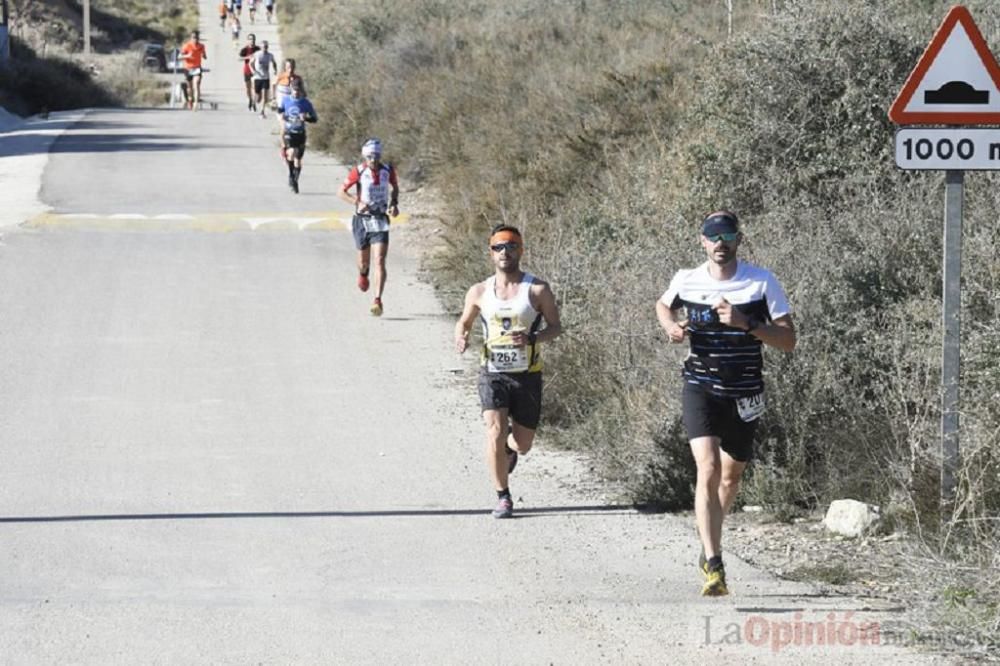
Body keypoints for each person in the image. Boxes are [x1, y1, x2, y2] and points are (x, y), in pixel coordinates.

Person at [655, 210, 796, 597]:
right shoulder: (687, 279)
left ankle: (708, 539)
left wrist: (746, 323)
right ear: (702, 241)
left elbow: (788, 340)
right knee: (709, 467)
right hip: (700, 386)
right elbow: (663, 305)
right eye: (712, 235)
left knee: (731, 478)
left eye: (727, 234)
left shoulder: (761, 282)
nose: (720, 242)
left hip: (746, 391)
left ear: (739, 239)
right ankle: (714, 563)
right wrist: (670, 326)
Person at [454, 226, 562, 519]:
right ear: (490, 253)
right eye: (499, 247)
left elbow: (556, 327)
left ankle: (510, 451)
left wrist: (532, 339)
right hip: (492, 373)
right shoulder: (479, 291)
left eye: (511, 246)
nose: (505, 252)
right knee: (495, 432)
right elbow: (463, 322)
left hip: (527, 374)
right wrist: (461, 336)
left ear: (521, 250)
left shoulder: (537, 289)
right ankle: (503, 497)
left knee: (522, 444)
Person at [337, 138, 400, 316]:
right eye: (370, 157)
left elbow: (394, 187)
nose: (374, 160)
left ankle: (377, 300)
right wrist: (356, 202)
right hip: (362, 220)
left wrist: (394, 203)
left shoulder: (388, 170)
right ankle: (363, 275)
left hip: (380, 219)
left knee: (379, 259)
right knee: (364, 263)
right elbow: (340, 192)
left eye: (377, 156)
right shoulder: (358, 171)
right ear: (365, 157)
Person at [276, 81, 317, 193]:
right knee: (292, 152)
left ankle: (295, 179)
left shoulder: (306, 103)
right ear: (291, 89)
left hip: (301, 133)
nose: (296, 92)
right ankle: (291, 175)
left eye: (298, 90)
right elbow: (279, 110)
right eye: (294, 90)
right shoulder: (286, 100)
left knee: (298, 160)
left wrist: (306, 118)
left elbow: (315, 119)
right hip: (289, 131)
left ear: (301, 90)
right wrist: (282, 116)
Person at [179, 30, 207, 110]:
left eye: (197, 37)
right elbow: (179, 57)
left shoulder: (201, 46)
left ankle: (196, 103)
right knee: (189, 87)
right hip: (188, 68)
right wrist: (187, 56)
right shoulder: (186, 46)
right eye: (194, 37)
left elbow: (204, 54)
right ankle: (190, 99)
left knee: (196, 84)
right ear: (191, 38)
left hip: (197, 68)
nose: (195, 39)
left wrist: (204, 55)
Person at [249, 39, 277, 118]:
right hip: (257, 77)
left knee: (265, 96)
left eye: (266, 47)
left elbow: (274, 62)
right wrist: (253, 71)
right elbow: (250, 63)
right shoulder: (257, 54)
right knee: (258, 98)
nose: (265, 48)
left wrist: (275, 70)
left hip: (266, 77)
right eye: (264, 47)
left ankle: (262, 112)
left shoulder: (270, 55)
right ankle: (254, 102)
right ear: (261, 47)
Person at [237, 33, 259, 110]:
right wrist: (248, 57)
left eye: (253, 39)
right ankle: (250, 99)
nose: (252, 40)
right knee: (248, 88)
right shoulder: (245, 49)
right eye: (250, 39)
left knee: (255, 88)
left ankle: (254, 102)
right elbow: (239, 58)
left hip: (256, 71)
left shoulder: (258, 49)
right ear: (248, 40)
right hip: (247, 71)